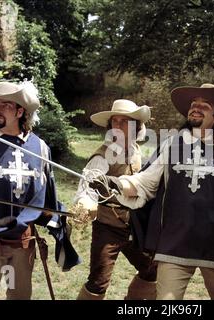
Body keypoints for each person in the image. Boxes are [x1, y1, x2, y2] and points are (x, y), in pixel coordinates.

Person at [90, 84, 214, 300]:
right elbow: (144, 183)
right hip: (174, 243)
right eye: (193, 104)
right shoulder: (170, 145)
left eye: (204, 105)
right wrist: (115, 184)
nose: (196, 108)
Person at [0, 81, 79, 299]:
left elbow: (48, 197)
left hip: (23, 241)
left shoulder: (40, 149)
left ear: (20, 111)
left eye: (6, 105)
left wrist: (62, 217)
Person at [74, 99, 157, 300]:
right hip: (108, 228)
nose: (118, 127)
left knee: (152, 270)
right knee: (98, 282)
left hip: (137, 227)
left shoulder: (141, 153)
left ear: (136, 127)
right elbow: (88, 187)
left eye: (125, 122)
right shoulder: (102, 156)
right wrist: (86, 203)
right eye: (115, 122)